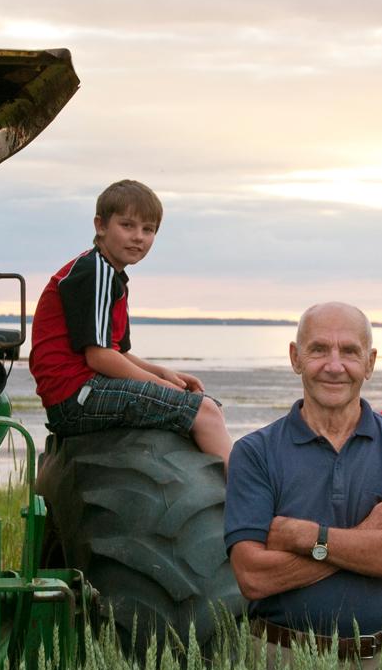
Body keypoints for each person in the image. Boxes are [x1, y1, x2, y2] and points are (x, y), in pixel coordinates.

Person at [224, 301, 382, 670]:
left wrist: (304, 535)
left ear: (371, 363)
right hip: (281, 664)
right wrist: (369, 535)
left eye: (350, 351)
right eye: (319, 349)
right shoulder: (254, 452)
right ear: (295, 358)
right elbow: (253, 577)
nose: (334, 365)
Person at [28, 180, 232, 465]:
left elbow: (118, 352)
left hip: (88, 389)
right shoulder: (94, 271)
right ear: (101, 225)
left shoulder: (112, 277)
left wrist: (162, 373)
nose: (138, 237)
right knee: (205, 412)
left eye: (148, 230)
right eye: (127, 226)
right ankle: (245, 504)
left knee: (209, 407)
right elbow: (99, 357)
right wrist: (159, 386)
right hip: (77, 396)